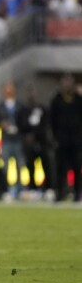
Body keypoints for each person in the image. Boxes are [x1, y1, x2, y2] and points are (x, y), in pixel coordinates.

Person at [50, 74, 82, 202]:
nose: (67, 85)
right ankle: (60, 193)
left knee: (76, 167)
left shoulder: (79, 100)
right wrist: (54, 137)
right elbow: (52, 121)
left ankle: (77, 193)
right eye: (65, 82)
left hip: (76, 139)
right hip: (61, 140)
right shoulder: (56, 100)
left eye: (70, 82)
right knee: (60, 168)